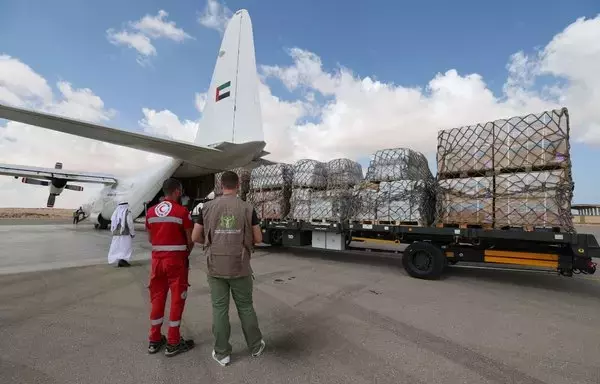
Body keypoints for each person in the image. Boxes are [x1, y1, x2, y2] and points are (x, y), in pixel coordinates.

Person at [192, 170, 265, 366]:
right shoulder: (247, 208)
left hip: (215, 265)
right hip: (240, 266)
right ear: (238, 185)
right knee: (246, 307)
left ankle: (222, 353)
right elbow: (258, 238)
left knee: (219, 309)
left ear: (220, 186)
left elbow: (194, 237)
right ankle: (256, 346)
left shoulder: (206, 208)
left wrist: (210, 244)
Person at [145, 178, 195, 357]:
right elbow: (190, 239)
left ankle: (154, 339)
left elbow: (151, 239)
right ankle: (173, 342)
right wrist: (184, 253)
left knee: (157, 298)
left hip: (157, 262)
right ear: (178, 191)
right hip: (176, 262)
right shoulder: (182, 212)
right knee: (176, 300)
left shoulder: (150, 212)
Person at [107, 202, 134, 267]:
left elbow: (112, 223)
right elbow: (130, 224)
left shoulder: (115, 213)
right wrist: (132, 233)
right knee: (126, 247)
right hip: (125, 233)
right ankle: (123, 260)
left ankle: (120, 260)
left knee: (118, 247)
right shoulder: (127, 212)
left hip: (116, 234)